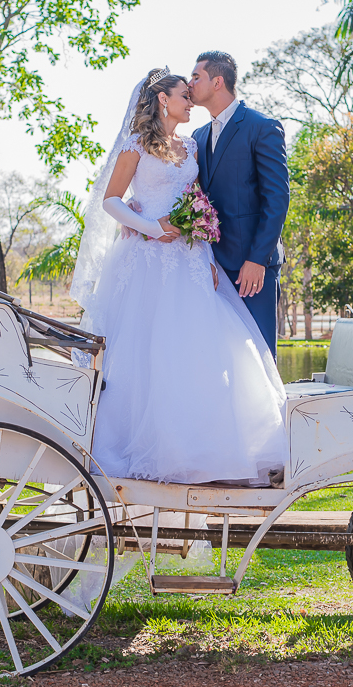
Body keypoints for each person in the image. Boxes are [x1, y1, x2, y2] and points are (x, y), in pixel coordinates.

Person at [69, 67, 287, 486]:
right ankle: (135, 446)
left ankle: (205, 450)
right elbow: (111, 200)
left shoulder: (191, 146)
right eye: (184, 96)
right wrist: (150, 226)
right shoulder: (136, 146)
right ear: (164, 100)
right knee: (146, 351)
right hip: (146, 260)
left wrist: (202, 247)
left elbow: (196, 203)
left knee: (196, 349)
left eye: (192, 93)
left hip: (188, 259)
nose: (191, 102)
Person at [189, 51, 290, 357]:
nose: (190, 83)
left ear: (217, 82)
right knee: (220, 358)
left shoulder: (262, 127)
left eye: (196, 77)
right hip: (213, 269)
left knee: (258, 357)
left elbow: (277, 198)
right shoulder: (198, 135)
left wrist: (257, 260)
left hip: (252, 269)